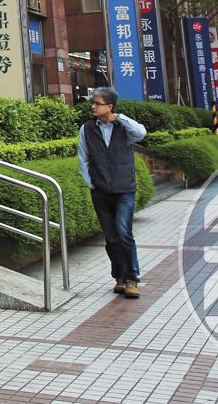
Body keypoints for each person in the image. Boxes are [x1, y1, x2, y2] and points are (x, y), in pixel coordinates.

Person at [77, 87, 147, 299]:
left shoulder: (124, 127)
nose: (93, 106)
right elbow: (83, 158)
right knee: (111, 237)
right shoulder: (87, 129)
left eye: (97, 103)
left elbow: (141, 133)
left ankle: (132, 279)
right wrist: (91, 184)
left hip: (124, 189)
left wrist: (120, 118)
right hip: (101, 191)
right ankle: (119, 277)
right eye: (93, 103)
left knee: (123, 232)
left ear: (109, 106)